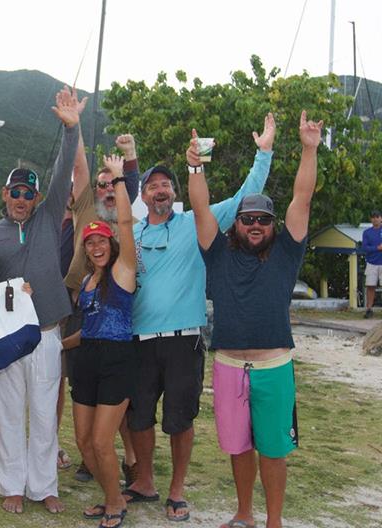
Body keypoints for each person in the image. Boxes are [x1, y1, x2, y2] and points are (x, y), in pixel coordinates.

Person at [125, 113, 276, 523]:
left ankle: (176, 490)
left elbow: (248, 196)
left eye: (164, 184)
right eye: (152, 184)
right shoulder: (132, 234)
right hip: (138, 339)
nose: (159, 189)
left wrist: (264, 153)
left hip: (183, 338)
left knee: (179, 419)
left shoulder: (197, 223)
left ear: (173, 191)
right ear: (142, 194)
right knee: (137, 415)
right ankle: (144, 480)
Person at [191, 111, 322, 528]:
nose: (255, 225)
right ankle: (245, 513)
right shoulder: (218, 252)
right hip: (229, 368)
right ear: (237, 224)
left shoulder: (287, 253)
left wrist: (308, 148)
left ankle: (274, 521)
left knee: (273, 450)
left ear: (272, 225)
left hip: (274, 369)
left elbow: (302, 198)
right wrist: (195, 166)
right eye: (247, 219)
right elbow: (198, 209)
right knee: (239, 447)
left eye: (263, 219)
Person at [0, 86, 81, 515]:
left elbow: (64, 171)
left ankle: (44, 486)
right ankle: (11, 485)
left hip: (47, 333)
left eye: (30, 193)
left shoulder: (47, 218)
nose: (23, 199)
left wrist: (71, 128)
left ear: (38, 198)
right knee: (7, 412)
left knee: (45, 412)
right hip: (8, 338)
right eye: (16, 193)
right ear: (5, 195)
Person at [62, 153, 137, 528]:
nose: (96, 246)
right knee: (84, 443)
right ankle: (112, 496)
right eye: (89, 243)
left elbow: (124, 221)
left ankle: (116, 505)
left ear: (111, 244)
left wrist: (120, 180)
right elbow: (88, 331)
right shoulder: (88, 284)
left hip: (118, 361)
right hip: (87, 358)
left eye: (101, 241)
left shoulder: (124, 272)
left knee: (103, 442)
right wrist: (59, 345)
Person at [361, 210, 382, 319]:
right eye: (373, 217)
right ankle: (369, 309)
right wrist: (377, 248)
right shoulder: (367, 232)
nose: (375, 219)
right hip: (371, 263)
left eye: (377, 217)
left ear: (381, 218)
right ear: (371, 219)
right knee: (370, 286)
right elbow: (364, 248)